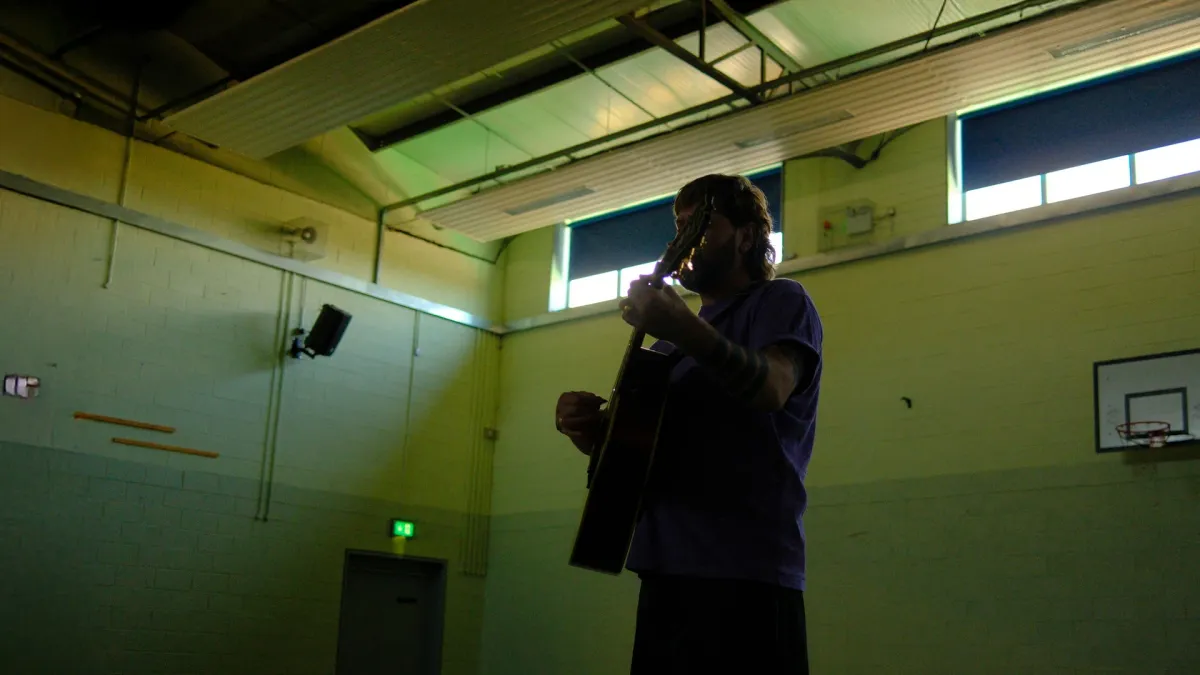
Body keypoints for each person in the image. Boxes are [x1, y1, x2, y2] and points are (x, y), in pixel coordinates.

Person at [555, 173, 823, 674]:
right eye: (679, 226)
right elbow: (641, 453)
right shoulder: (665, 348)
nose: (682, 239)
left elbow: (772, 387)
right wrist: (589, 431)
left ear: (746, 237)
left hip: (746, 572)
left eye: (701, 224)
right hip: (663, 570)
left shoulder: (780, 301)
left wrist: (682, 326)